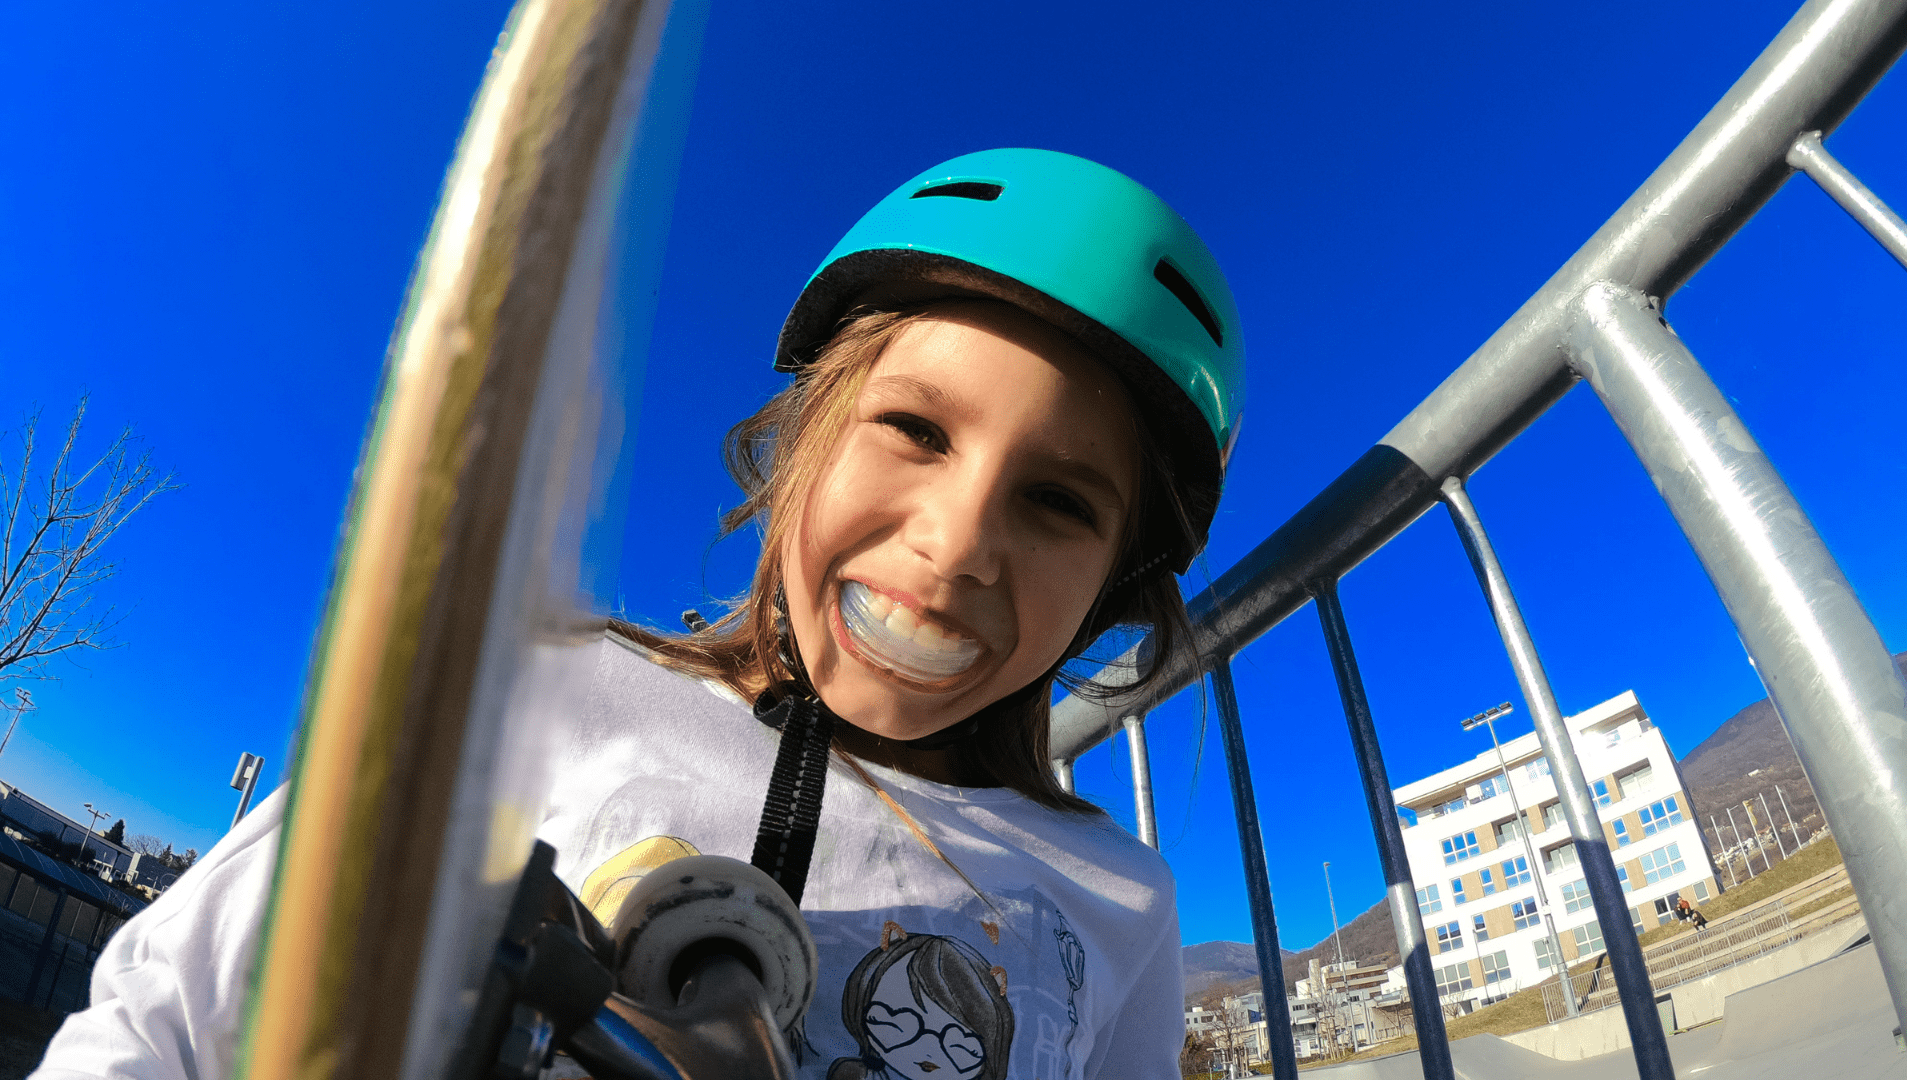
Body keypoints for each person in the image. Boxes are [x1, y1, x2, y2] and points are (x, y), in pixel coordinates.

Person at [33, 148, 1247, 1080]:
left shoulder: (1118, 900)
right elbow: (175, 1001)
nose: (958, 543)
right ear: (800, 447)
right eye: (914, 430)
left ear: (1111, 590)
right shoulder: (557, 688)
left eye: (1056, 502)